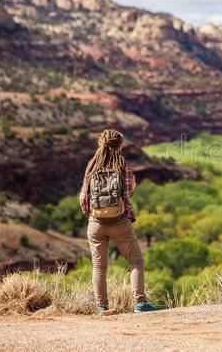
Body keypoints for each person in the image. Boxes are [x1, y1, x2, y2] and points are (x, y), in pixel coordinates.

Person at [79, 129, 160, 314]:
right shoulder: (121, 164)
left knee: (99, 267)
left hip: (95, 223)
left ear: (101, 144)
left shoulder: (92, 166)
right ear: (120, 145)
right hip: (119, 223)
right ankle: (140, 303)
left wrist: (91, 214)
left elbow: (84, 197)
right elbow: (128, 192)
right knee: (136, 262)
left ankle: (101, 307)